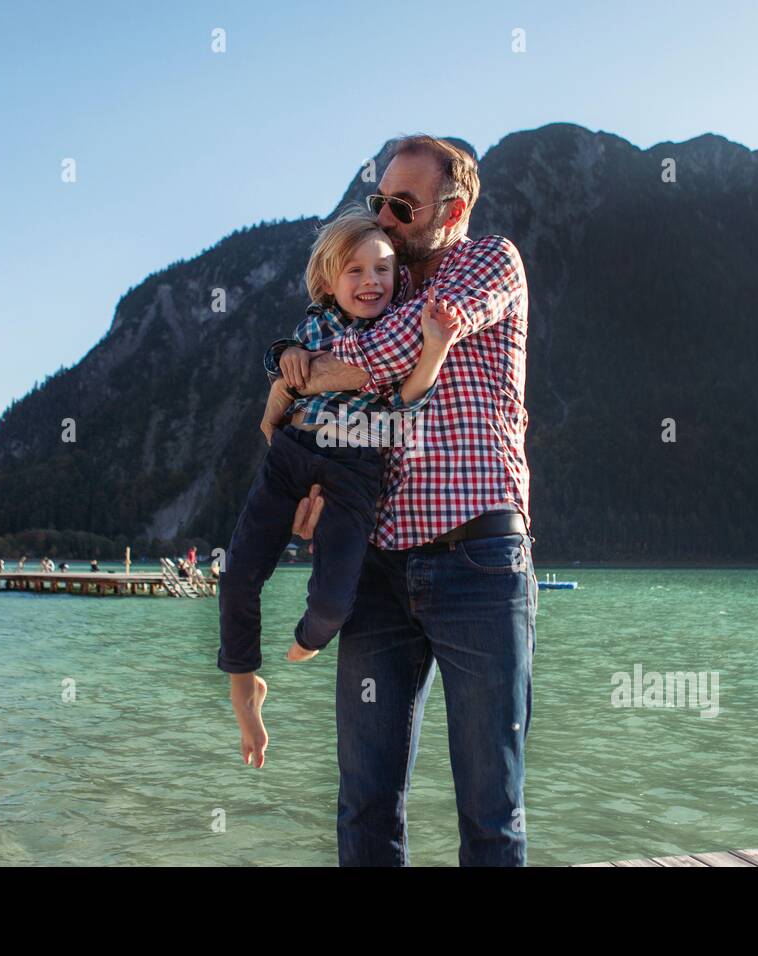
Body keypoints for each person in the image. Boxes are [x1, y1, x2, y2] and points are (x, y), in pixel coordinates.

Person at [261, 136, 534, 867]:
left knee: (489, 809)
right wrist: (294, 407)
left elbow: (402, 346)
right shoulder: (379, 284)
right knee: (366, 803)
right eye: (378, 200)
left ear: (457, 207)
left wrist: (304, 375)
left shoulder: (489, 262)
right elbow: (327, 408)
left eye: (402, 205)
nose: (386, 216)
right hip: (378, 570)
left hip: (479, 559)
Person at [218, 206, 461, 772]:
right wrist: (286, 355)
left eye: (381, 268)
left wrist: (435, 348)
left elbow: (408, 401)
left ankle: (309, 635)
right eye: (354, 271)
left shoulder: (400, 327)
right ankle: (242, 688)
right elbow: (277, 354)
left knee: (332, 603)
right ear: (328, 279)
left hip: (357, 468)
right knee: (238, 576)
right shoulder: (316, 322)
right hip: (293, 455)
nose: (369, 281)